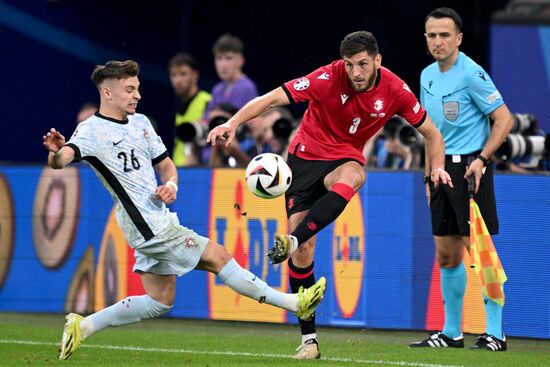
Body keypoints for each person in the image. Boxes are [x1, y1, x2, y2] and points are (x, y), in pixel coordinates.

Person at [42, 60, 326, 360]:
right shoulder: (90, 131)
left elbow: (166, 166)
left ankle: (83, 326)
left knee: (160, 300)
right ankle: (294, 303)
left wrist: (172, 185)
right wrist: (57, 152)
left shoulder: (141, 124)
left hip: (155, 216)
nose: (137, 95)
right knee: (219, 257)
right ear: (108, 93)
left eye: (137, 88)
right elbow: (62, 161)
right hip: (146, 223)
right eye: (129, 90)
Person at [208, 31, 452, 359]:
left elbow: (432, 134)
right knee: (303, 254)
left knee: (355, 175)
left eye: (363, 64)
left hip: (345, 156)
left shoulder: (395, 89)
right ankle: (310, 341)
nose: (355, 72)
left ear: (378, 61)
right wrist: (234, 122)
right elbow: (270, 99)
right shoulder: (326, 77)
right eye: (350, 65)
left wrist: (437, 167)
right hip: (304, 159)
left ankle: (293, 239)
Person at [409, 8, 513, 351]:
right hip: (440, 172)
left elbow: (504, 119)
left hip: (470, 170)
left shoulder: (471, 73)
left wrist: (483, 160)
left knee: (480, 251)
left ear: (459, 38)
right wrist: (427, 177)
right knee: (446, 253)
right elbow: (429, 133)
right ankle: (451, 332)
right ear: (425, 39)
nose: (438, 41)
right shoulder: (426, 75)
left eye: (444, 35)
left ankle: (495, 333)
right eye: (432, 35)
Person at [168, 52, 212, 166]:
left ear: (195, 75)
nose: (177, 80)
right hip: (180, 170)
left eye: (183, 74)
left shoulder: (207, 101)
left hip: (200, 170)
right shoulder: (178, 107)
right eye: (173, 75)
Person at [203, 33, 259, 118]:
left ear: (241, 60)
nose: (223, 64)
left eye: (228, 58)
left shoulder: (247, 87)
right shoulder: (217, 89)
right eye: (219, 58)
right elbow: (207, 119)